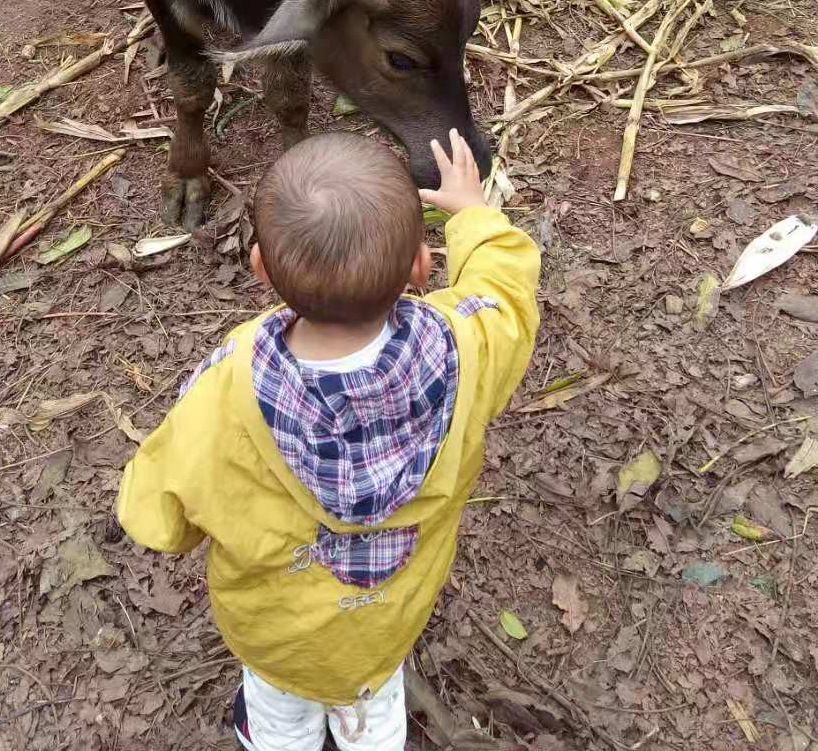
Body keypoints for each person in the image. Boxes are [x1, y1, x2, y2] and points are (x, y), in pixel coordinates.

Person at [117, 130, 541, 750]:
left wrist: (168, 520)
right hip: (386, 626)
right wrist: (475, 215)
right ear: (422, 267)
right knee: (373, 699)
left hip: (276, 636)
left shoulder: (226, 388)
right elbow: (506, 293)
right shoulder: (468, 348)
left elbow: (157, 514)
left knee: (278, 709)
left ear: (261, 268)